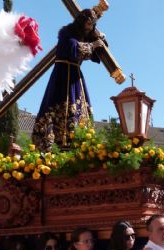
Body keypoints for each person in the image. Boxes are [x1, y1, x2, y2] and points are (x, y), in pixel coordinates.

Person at [32, 9, 108, 151]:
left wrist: (101, 39)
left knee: (79, 111)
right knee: (59, 107)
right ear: (81, 21)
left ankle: (80, 140)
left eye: (92, 24)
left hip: (75, 75)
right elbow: (73, 48)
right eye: (88, 23)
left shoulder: (86, 36)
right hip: (62, 74)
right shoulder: (67, 32)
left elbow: (99, 53)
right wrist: (92, 45)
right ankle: (54, 143)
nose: (89, 26)